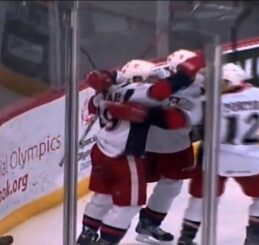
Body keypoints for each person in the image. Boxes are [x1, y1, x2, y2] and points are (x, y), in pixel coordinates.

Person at [76, 54, 205, 245]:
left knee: (105, 195)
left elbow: (93, 102)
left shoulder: (112, 90)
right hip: (126, 155)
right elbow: (160, 94)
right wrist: (184, 75)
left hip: (103, 149)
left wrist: (103, 82)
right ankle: (105, 241)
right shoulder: (141, 89)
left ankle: (87, 234)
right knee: (129, 204)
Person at [177, 63, 259, 245]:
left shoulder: (207, 102)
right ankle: (255, 239)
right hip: (251, 160)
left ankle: (186, 239)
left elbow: (184, 119)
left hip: (215, 160)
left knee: (200, 198)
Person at [134, 50, 205, 244]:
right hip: (146, 144)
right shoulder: (155, 80)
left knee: (172, 186)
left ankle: (149, 222)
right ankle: (101, 227)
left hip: (178, 145)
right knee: (132, 189)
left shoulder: (202, 83)